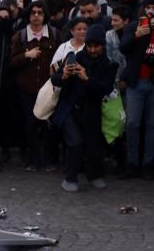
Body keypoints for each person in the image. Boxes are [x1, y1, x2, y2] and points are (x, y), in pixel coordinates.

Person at [50, 25, 116, 192]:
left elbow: (106, 88)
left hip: (91, 110)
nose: (92, 50)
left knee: (93, 144)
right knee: (75, 142)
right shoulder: (75, 57)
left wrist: (87, 78)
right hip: (71, 108)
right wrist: (64, 75)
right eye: (89, 46)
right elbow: (55, 79)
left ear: (103, 46)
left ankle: (94, 175)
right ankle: (70, 178)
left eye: (96, 46)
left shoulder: (108, 65)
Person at [119, 0, 154, 179]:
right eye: (148, 7)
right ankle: (132, 163)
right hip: (136, 82)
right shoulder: (134, 26)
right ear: (143, 8)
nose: (151, 12)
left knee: (152, 125)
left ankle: (148, 163)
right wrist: (135, 36)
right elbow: (122, 48)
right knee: (132, 123)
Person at [10, 1, 62, 171]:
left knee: (48, 124)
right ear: (28, 15)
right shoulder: (20, 36)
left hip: (48, 88)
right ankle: (33, 159)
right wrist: (26, 55)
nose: (37, 16)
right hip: (28, 88)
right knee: (31, 124)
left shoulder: (55, 34)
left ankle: (49, 159)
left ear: (45, 15)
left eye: (40, 12)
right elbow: (11, 62)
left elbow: (62, 57)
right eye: (33, 13)